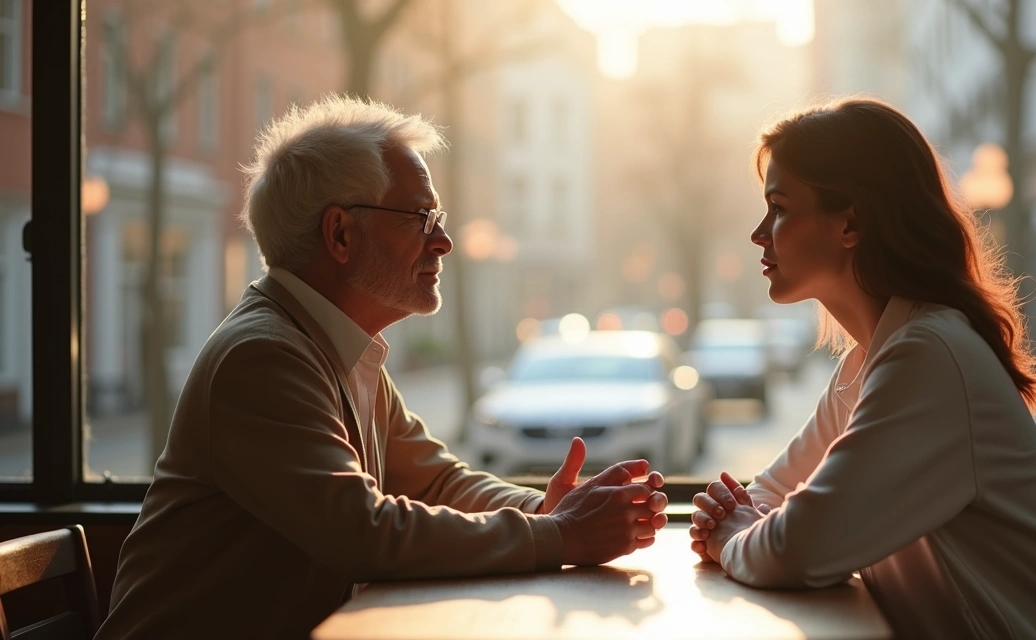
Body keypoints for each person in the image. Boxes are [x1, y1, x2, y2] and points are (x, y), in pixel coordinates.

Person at [97, 95, 667, 640]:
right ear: (341, 233)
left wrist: (543, 508)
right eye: (421, 218)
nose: (443, 241)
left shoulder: (331, 344)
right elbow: (363, 533)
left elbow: (435, 481)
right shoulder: (263, 358)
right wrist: (560, 534)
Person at [688, 99, 1036, 639]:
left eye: (779, 207)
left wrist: (731, 534)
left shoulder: (927, 357)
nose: (759, 233)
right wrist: (739, 522)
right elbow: (766, 499)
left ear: (850, 222)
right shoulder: (868, 362)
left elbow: (799, 546)